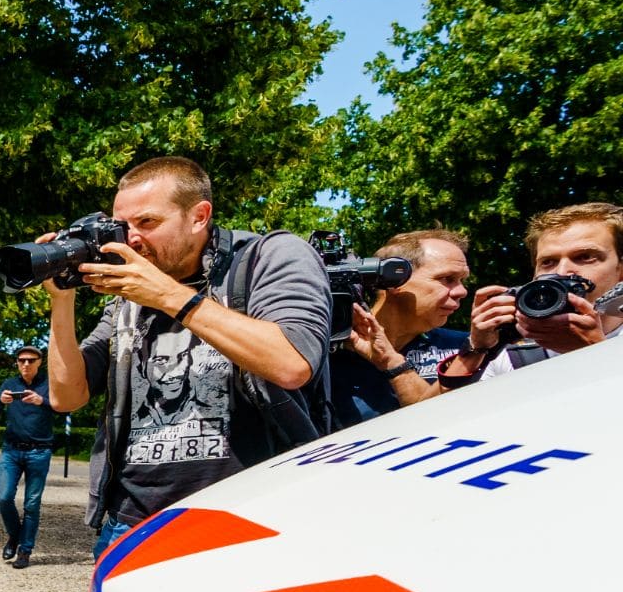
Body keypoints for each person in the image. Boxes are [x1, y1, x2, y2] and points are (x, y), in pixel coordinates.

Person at [43, 156, 332, 555]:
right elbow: (66, 396)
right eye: (122, 226)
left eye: (147, 223)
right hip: (130, 525)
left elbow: (292, 363)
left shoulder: (269, 257)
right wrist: (62, 302)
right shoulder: (130, 295)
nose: (131, 239)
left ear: (199, 216)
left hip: (248, 523)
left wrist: (166, 294)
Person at [436, 203, 623, 388]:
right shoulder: (514, 352)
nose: (562, 271)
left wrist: (594, 350)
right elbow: (447, 414)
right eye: (548, 262)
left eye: (585, 257)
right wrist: (477, 347)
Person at [331, 230, 471, 426]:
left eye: (462, 280)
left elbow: (452, 424)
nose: (462, 291)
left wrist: (393, 364)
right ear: (394, 279)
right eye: (447, 279)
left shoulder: (467, 349)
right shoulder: (327, 355)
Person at [0, 345, 55, 569]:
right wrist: (1, 401)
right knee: (4, 497)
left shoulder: (49, 384)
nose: (26, 364)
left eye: (31, 360)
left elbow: (64, 408)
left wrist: (43, 401)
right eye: (21, 360)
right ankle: (14, 535)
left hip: (39, 451)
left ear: (40, 362)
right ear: (17, 363)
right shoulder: (10, 385)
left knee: (32, 504)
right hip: (11, 450)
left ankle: (24, 551)